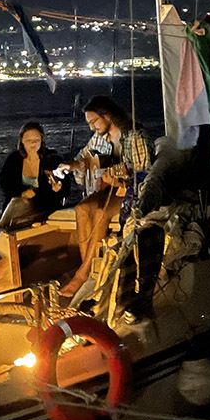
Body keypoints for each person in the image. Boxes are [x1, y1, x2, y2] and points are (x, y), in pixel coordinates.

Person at [55, 95, 151, 298]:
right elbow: (83, 157)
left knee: (101, 211)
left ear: (107, 116)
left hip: (130, 192)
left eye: (93, 122)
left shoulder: (135, 137)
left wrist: (118, 179)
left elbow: (145, 173)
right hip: (110, 190)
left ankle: (81, 276)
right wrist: (70, 166)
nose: (91, 128)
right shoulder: (99, 138)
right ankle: (87, 269)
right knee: (82, 209)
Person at [0, 121, 68, 232]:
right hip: (18, 208)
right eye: (28, 140)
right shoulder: (14, 159)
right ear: (22, 141)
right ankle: (3, 226)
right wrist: (22, 192)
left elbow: (66, 189)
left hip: (45, 206)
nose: (32, 144)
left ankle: (1, 226)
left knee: (20, 202)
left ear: (41, 140)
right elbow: (5, 183)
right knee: (19, 201)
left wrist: (58, 189)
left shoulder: (52, 159)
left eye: (36, 140)